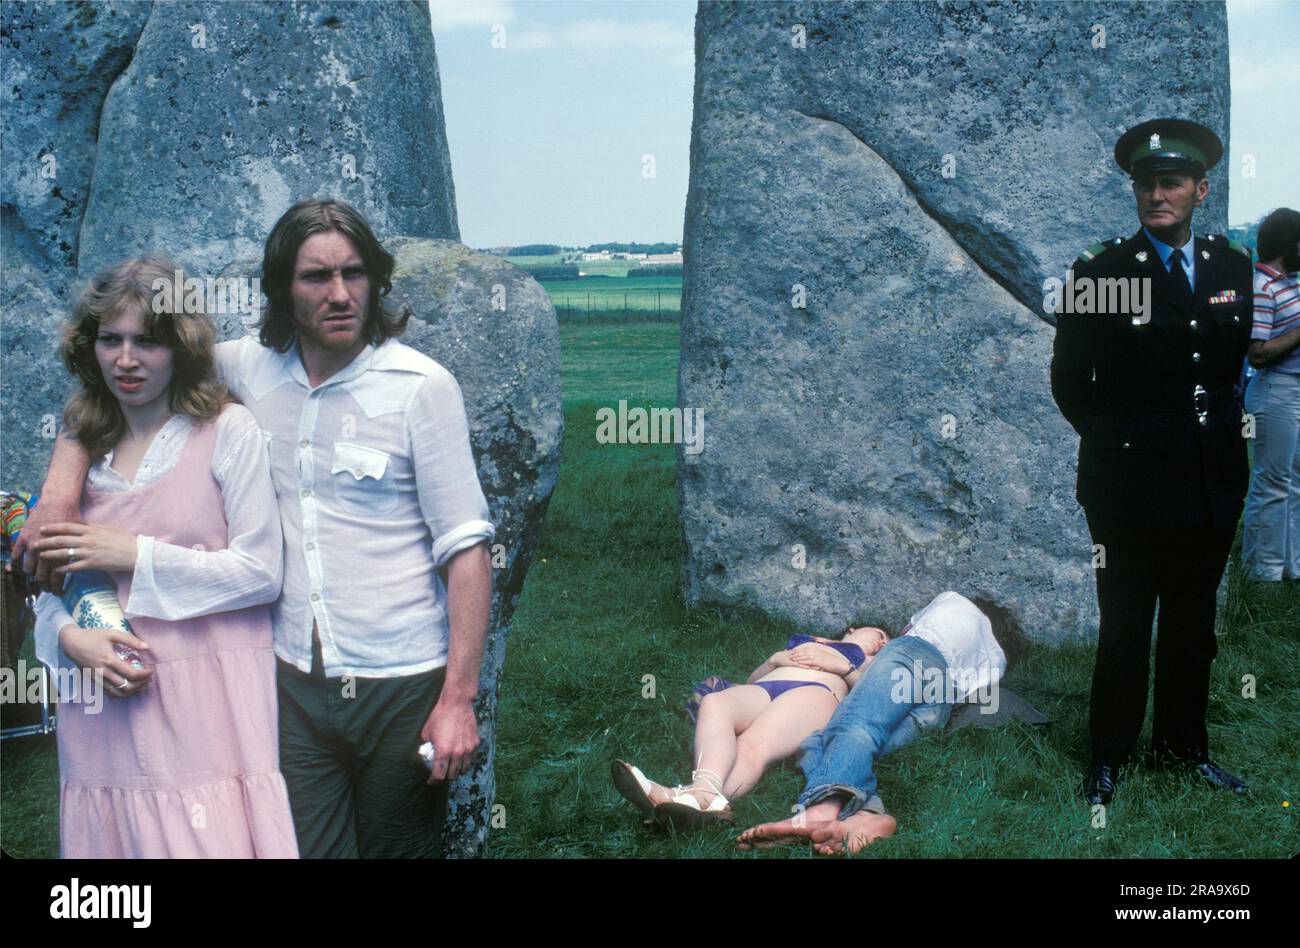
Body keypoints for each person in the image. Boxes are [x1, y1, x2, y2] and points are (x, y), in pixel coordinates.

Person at [17, 198, 496, 858]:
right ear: (279, 289)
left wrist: (458, 701)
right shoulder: (245, 367)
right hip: (291, 683)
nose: (338, 294)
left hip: (401, 680)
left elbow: (467, 548)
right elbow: (120, 378)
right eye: (314, 277)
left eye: (354, 274)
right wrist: (58, 490)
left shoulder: (421, 388)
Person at [27, 257, 298, 857]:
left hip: (209, 711)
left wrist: (133, 554)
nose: (127, 360)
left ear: (180, 345)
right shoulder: (83, 454)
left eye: (147, 341)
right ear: (88, 346)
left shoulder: (228, 432)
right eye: (110, 340)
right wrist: (71, 641)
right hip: (100, 716)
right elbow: (52, 587)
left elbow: (261, 572)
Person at [1050, 118, 1254, 805]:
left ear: (1200, 189)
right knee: (1128, 622)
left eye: (1170, 183)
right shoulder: (1100, 269)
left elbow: (1226, 371)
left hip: (1212, 477)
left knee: (1194, 625)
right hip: (1128, 483)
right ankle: (1108, 755)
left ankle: (1182, 749)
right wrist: (1120, 442)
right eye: (1146, 184)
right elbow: (1071, 381)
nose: (1156, 195)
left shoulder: (1233, 266)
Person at [735, 592, 1013, 855]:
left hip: (913, 655)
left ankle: (822, 810)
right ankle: (867, 817)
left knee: (856, 727)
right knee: (820, 742)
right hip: (940, 705)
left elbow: (906, 632)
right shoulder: (995, 659)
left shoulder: (951, 600)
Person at [612, 624, 890, 829]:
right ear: (852, 629)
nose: (881, 642)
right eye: (879, 634)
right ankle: (704, 798)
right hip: (766, 687)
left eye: (887, 642)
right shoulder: (809, 640)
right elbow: (751, 679)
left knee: (751, 745)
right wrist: (773, 661)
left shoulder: (869, 661)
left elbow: (870, 698)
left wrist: (843, 668)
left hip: (815, 693)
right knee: (715, 703)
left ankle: (686, 795)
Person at [1241, 207, 1300, 582]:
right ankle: (1262, 574)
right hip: (1276, 391)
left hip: (1293, 390)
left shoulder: (1290, 281)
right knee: (1272, 483)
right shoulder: (1261, 287)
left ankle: (1291, 567)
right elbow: (1257, 353)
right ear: (1290, 244)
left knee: (1293, 483)